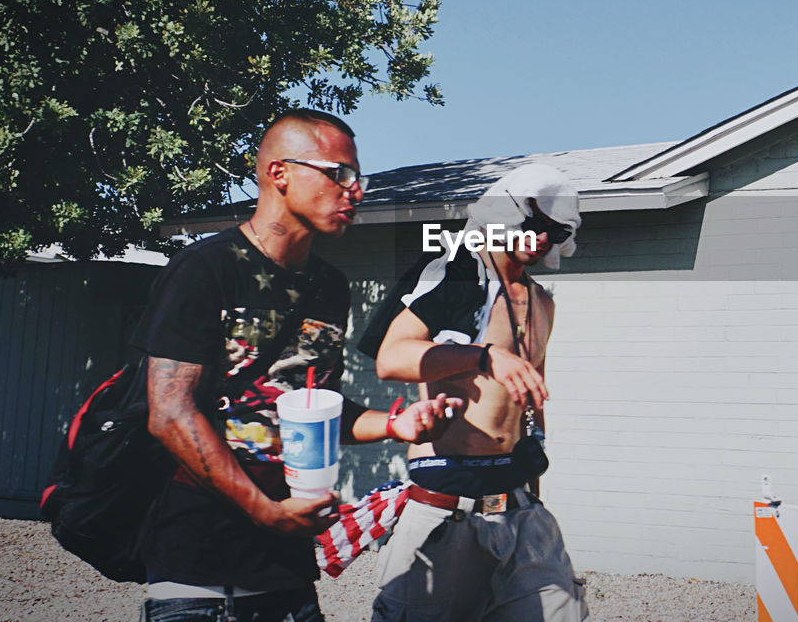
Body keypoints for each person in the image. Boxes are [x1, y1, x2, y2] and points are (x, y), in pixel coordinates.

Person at [133, 109, 463, 622]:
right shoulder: (207, 268)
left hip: (287, 571)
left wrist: (396, 425)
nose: (355, 191)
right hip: (199, 571)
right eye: (340, 174)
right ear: (278, 173)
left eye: (360, 178)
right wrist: (266, 511)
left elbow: (309, 406)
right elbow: (169, 412)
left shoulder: (330, 288)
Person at [358, 163, 590, 622]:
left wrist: (534, 490)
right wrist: (483, 356)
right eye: (533, 222)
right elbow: (391, 357)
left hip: (517, 497)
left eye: (554, 229)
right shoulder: (459, 273)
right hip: (448, 493)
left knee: (562, 613)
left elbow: (530, 403)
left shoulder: (542, 301)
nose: (541, 237)